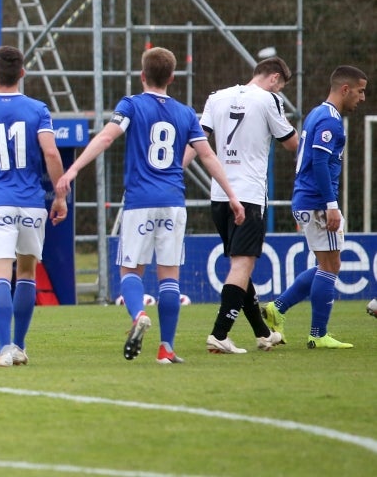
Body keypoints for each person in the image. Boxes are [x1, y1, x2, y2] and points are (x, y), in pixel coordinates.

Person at [55, 47, 246, 364]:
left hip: (140, 202)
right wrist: (233, 197)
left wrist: (73, 170)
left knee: (130, 270)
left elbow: (106, 137)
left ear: (142, 75)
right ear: (172, 78)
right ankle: (166, 348)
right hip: (173, 202)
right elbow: (208, 155)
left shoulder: (130, 105)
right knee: (169, 276)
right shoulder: (185, 113)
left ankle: (139, 314)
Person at [0, 46, 68, 367]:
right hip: (33, 204)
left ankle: (4, 348)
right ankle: (20, 346)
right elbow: (51, 154)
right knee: (26, 276)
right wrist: (60, 196)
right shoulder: (38, 110)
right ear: (22, 73)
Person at [183, 57, 298, 354]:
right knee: (242, 265)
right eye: (282, 85)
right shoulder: (269, 99)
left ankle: (262, 333)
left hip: (220, 195)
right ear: (274, 78)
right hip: (248, 195)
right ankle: (220, 334)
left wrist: (174, 170)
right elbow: (290, 142)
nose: (281, 91)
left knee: (239, 267)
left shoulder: (215, 97)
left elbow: (198, 140)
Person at [262, 65, 368, 349]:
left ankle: (278, 308)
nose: (363, 98)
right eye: (360, 91)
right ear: (344, 89)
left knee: (326, 265)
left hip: (308, 199)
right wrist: (331, 205)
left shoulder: (317, 113)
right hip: (318, 202)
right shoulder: (330, 121)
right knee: (330, 266)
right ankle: (318, 334)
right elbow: (319, 163)